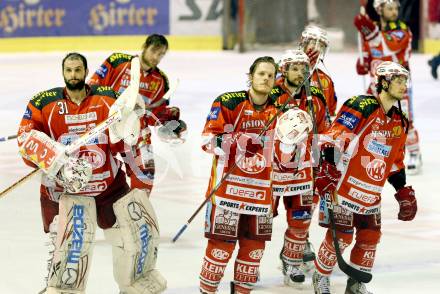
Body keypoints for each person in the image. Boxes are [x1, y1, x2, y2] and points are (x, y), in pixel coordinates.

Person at [17, 52, 166, 294]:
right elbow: (25, 140)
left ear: (86, 72)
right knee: (69, 251)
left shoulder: (108, 100)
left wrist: (132, 126)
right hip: (63, 192)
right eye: (69, 70)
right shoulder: (43, 103)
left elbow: (130, 143)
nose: (73, 75)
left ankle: (134, 284)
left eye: (78, 70)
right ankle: (62, 289)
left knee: (130, 238)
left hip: (109, 187)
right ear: (63, 72)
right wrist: (56, 160)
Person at [198, 56, 306, 294]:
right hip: (227, 194)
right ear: (250, 76)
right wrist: (240, 140)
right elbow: (207, 142)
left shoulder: (284, 112)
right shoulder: (228, 102)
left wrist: (289, 146)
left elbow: (287, 165)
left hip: (261, 199)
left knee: (253, 253)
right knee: (220, 250)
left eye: (270, 75)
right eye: (261, 74)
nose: (266, 78)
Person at [312, 61, 418, 294]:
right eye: (398, 81)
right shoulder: (362, 105)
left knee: (370, 238)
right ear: (383, 83)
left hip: (371, 193)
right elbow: (334, 138)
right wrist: (327, 167)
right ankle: (321, 277)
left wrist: (401, 191)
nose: (403, 85)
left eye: (404, 81)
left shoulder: (400, 120)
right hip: (343, 188)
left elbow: (395, 161)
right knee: (341, 238)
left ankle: (355, 284)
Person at [89, 33, 186, 194]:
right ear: (144, 47)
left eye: (161, 54)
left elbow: (154, 115)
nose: (156, 57)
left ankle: (136, 211)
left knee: (145, 174)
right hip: (107, 125)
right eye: (154, 50)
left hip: (137, 130)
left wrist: (168, 120)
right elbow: (92, 87)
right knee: (97, 172)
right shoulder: (117, 61)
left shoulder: (161, 80)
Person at [271, 49, 329, 287]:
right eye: (294, 68)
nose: (300, 73)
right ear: (283, 70)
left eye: (304, 68)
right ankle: (248, 262)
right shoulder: (270, 93)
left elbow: (325, 130)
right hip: (272, 167)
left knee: (301, 218)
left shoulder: (315, 95)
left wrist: (329, 161)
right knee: (259, 221)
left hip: (303, 168)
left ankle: (291, 259)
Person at [354, 0, 422, 174]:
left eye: (396, 8)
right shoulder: (373, 29)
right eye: (389, 8)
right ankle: (380, 154)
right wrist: (364, 62)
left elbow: (387, 48)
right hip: (377, 83)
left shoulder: (401, 29)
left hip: (399, 82)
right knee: (375, 120)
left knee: (404, 119)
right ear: (379, 9)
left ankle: (414, 153)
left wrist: (371, 34)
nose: (394, 12)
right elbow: (370, 54)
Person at [299, 25, 338, 120]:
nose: (316, 49)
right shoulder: (285, 72)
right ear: (304, 44)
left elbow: (330, 114)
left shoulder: (326, 79)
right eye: (313, 43)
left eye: (321, 46)